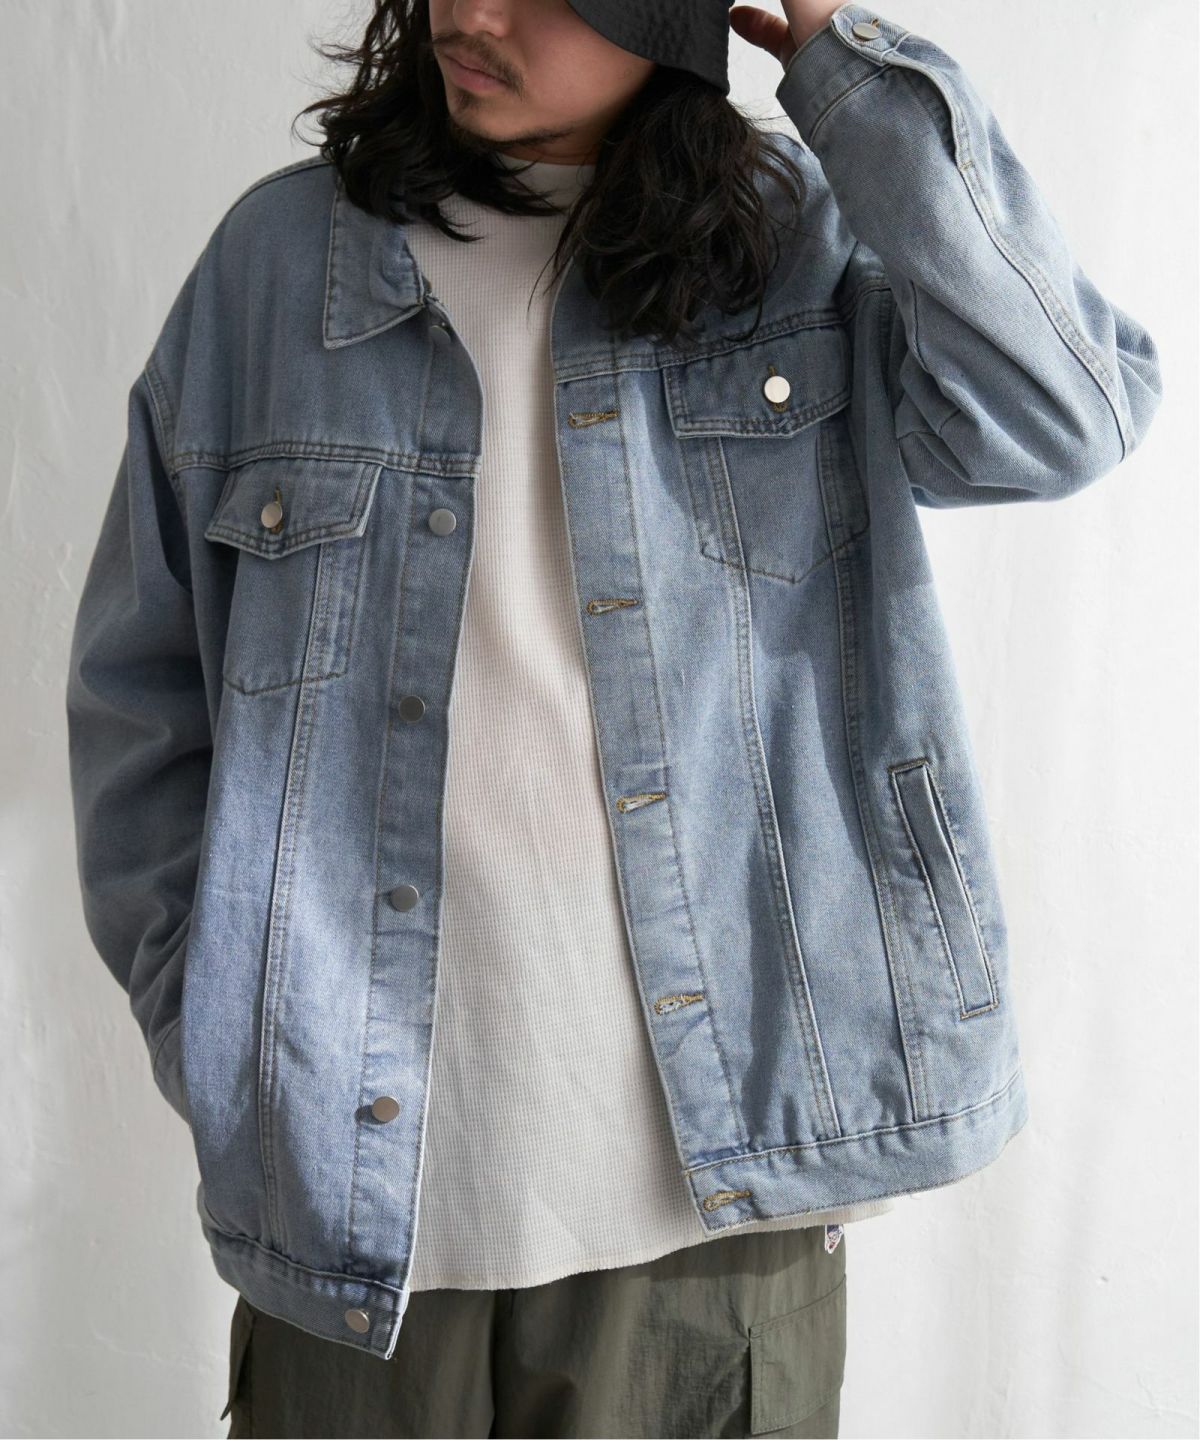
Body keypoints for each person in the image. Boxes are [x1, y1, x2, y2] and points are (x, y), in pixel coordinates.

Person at [63, 0, 1162, 1436]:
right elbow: (140, 700)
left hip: (722, 1194)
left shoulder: (794, 244)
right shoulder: (278, 269)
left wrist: (844, 64)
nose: (473, 12)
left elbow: (1061, 416)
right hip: (353, 1194)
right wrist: (226, 1030)